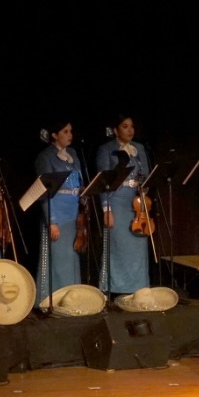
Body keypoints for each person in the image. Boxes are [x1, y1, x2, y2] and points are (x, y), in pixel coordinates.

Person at [95, 114, 152, 297]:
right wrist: (107, 209)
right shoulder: (106, 150)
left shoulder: (140, 148)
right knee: (118, 248)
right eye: (125, 126)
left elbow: (148, 175)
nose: (130, 130)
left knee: (138, 246)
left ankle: (138, 290)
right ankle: (115, 289)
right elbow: (103, 181)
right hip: (117, 201)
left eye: (132, 126)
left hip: (137, 204)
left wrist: (145, 187)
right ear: (115, 130)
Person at [33, 120, 86, 306]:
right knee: (56, 259)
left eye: (70, 131)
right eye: (65, 131)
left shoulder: (72, 154)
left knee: (71, 257)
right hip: (56, 213)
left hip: (72, 213)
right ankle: (49, 300)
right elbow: (44, 191)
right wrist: (51, 220)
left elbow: (78, 182)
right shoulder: (45, 157)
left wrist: (83, 195)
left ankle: (71, 300)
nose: (70, 134)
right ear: (54, 135)